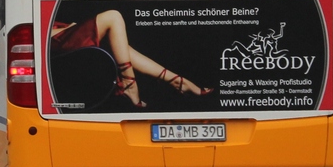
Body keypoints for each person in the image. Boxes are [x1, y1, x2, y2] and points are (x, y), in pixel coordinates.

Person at [50, 9, 212, 108]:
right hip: (51, 40)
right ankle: (130, 82)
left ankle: (177, 81)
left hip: (59, 31)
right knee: (113, 16)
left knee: (120, 46)